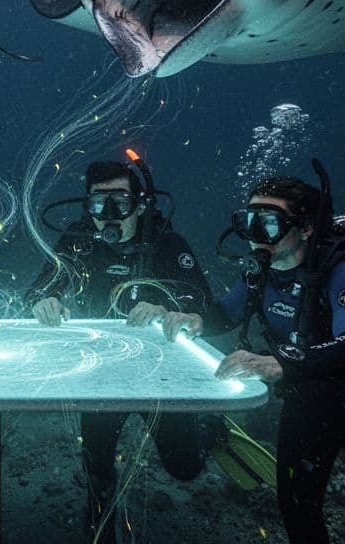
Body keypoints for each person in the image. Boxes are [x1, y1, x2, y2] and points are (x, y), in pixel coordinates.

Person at [28, 158, 223, 544]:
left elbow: (201, 300)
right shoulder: (77, 240)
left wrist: (170, 308)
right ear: (88, 206)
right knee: (97, 462)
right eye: (100, 204)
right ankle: (101, 524)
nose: (110, 215)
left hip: (160, 374)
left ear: (140, 203)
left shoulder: (167, 241)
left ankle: (212, 428)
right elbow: (36, 289)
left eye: (120, 202)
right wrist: (46, 301)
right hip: (101, 372)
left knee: (183, 467)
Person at [214, 173, 345, 544]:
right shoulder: (259, 275)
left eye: (269, 223)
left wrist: (282, 363)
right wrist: (184, 316)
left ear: (305, 228)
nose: (257, 235)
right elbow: (221, 315)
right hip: (306, 405)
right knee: (297, 509)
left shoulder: (343, 270)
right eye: (249, 222)